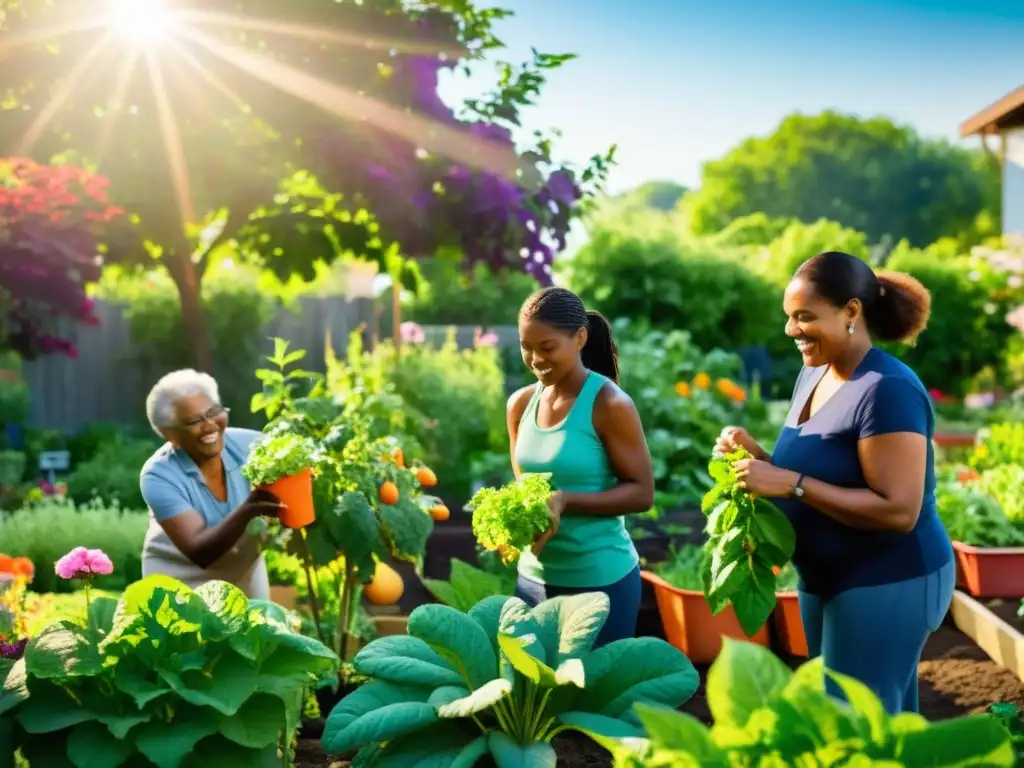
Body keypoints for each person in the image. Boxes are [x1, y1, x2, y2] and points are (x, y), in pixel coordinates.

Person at [717, 250, 954, 715]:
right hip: (824, 579)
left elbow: (899, 510)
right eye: (789, 317)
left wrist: (789, 482)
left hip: (888, 579)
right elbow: (813, 472)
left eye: (805, 317)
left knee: (854, 724)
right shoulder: (814, 373)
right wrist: (758, 461)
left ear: (850, 312)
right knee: (866, 721)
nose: (791, 330)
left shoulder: (887, 390)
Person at [507, 286, 655, 647]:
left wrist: (566, 500)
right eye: (527, 347)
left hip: (600, 582)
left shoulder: (609, 403)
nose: (535, 359)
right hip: (533, 580)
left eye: (547, 347)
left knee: (593, 698)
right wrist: (511, 525)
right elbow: (525, 488)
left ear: (580, 338)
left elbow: (642, 492)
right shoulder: (520, 403)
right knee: (534, 699)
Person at [139, 369, 281, 597]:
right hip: (178, 581)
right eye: (194, 421)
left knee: (257, 630)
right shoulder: (158, 475)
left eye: (213, 412)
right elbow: (200, 552)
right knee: (185, 633)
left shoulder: (254, 447)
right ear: (170, 435)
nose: (209, 425)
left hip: (243, 571)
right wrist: (249, 509)